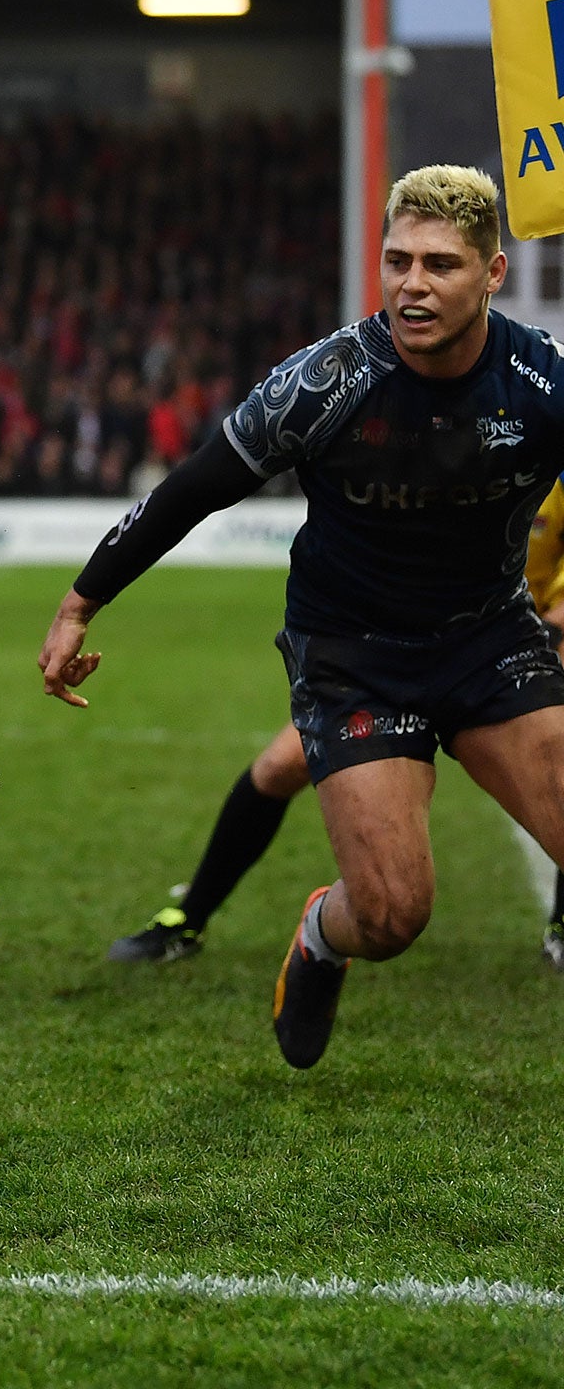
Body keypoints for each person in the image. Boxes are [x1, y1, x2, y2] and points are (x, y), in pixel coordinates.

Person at [39, 165, 564, 1070]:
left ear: (493, 274)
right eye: (397, 260)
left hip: (490, 641)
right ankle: (323, 935)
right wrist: (82, 601)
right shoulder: (325, 383)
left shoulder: (543, 387)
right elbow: (191, 490)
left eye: (440, 265)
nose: (412, 285)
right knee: (394, 915)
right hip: (353, 657)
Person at [111, 480, 564, 967]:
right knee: (279, 768)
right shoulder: (433, 447)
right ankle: (189, 919)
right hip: (400, 657)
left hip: (509, 653)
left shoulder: (538, 437)